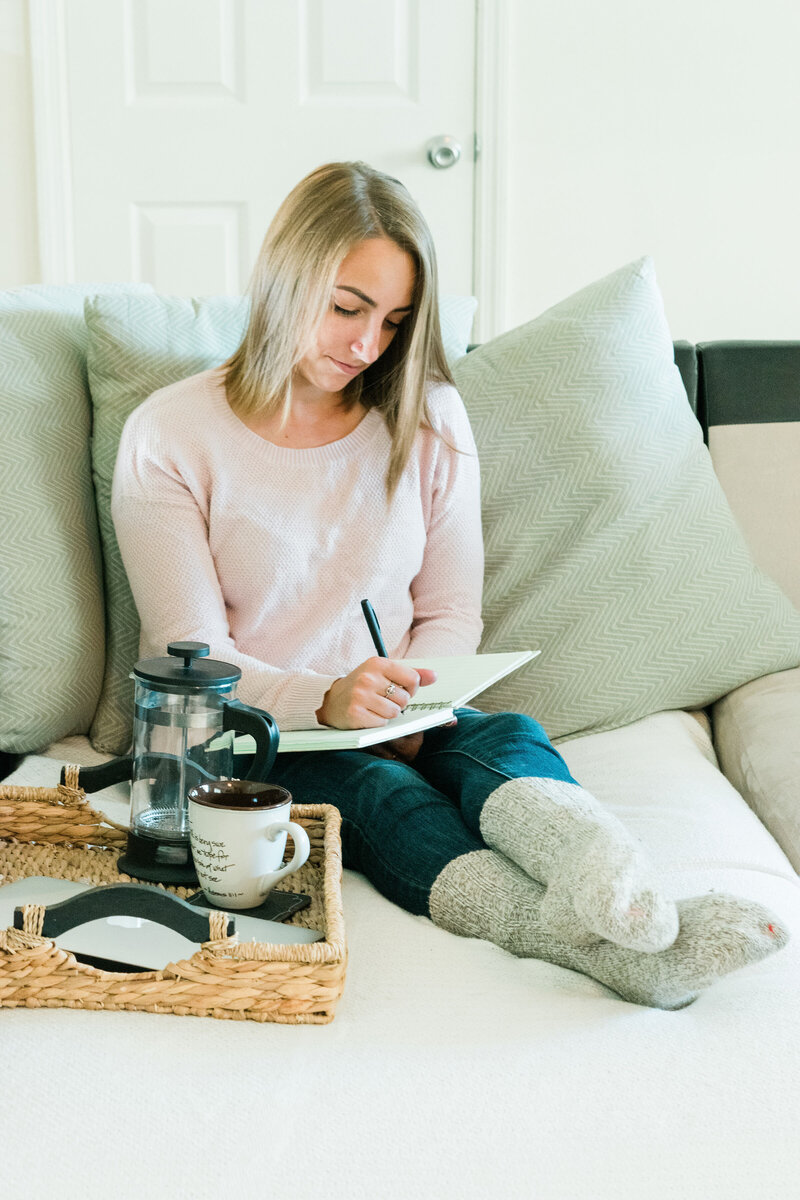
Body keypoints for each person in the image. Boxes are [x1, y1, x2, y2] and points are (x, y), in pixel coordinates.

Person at [111, 161, 787, 1009]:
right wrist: (329, 702)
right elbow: (191, 660)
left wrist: (415, 701)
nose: (366, 346)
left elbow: (449, 610)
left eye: (393, 322)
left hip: (400, 709)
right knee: (379, 793)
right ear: (286, 279)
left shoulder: (426, 414)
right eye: (347, 307)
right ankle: (609, 954)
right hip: (260, 735)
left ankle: (621, 889)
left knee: (505, 737)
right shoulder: (170, 434)